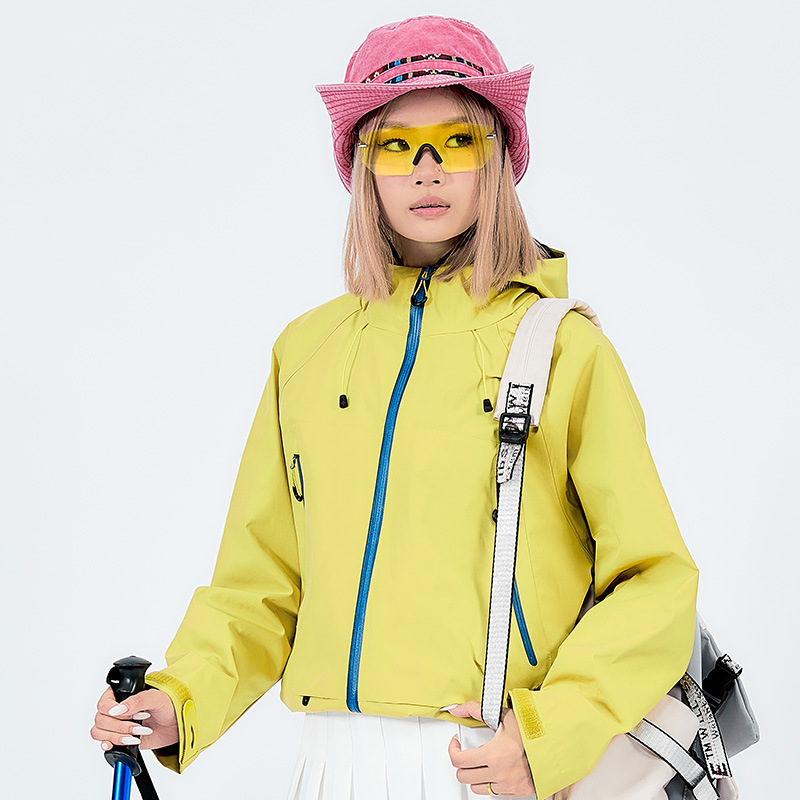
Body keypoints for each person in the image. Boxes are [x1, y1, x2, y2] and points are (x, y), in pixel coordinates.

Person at [90, 16, 699, 799]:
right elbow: (262, 581)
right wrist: (181, 699)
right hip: (329, 765)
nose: (425, 169)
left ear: (498, 158)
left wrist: (550, 731)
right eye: (396, 145)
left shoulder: (563, 350)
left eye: (456, 141)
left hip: (489, 761)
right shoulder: (305, 352)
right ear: (362, 165)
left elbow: (654, 579)